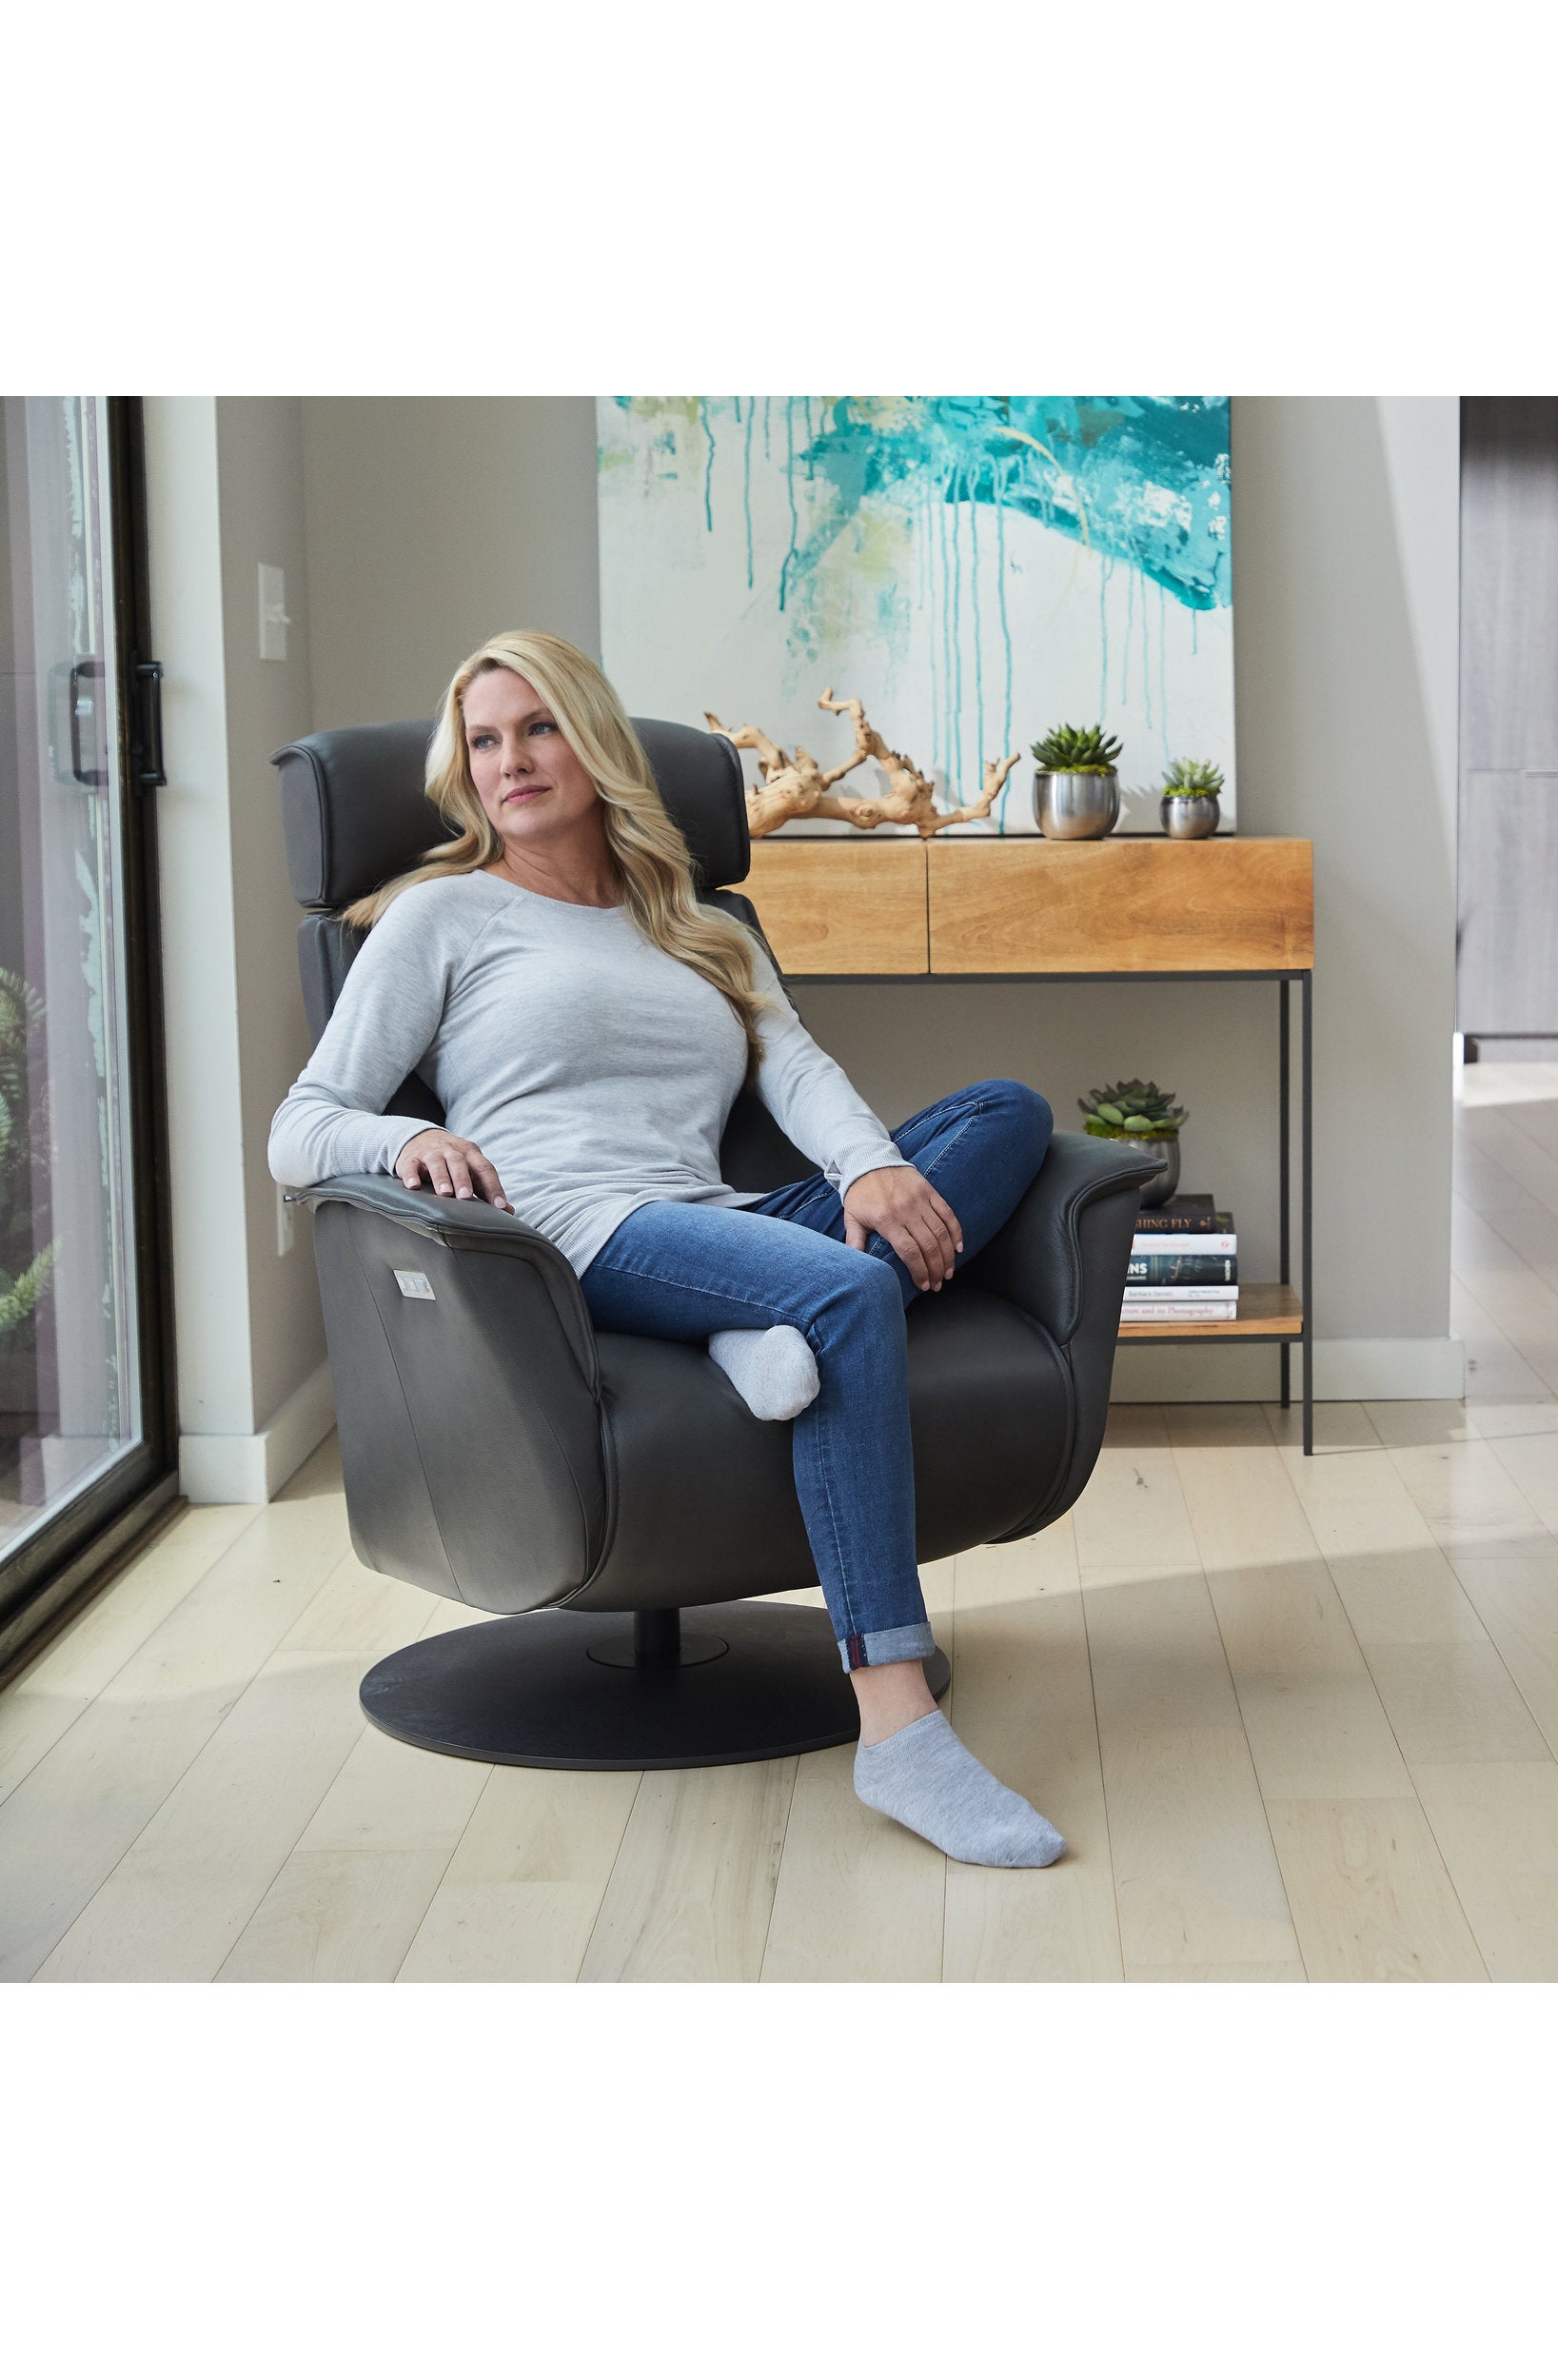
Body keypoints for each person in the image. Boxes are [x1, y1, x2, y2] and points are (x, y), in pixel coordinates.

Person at [267, 629, 1063, 1868]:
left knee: (1004, 1113)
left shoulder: (700, 927)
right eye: (483, 740)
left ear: (592, 741)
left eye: (536, 727)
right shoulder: (441, 916)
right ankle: (899, 1731)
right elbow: (299, 1127)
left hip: (722, 1225)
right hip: (574, 1234)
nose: (511, 760)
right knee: (851, 1291)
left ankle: (759, 1321)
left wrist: (871, 1166)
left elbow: (796, 1070)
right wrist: (408, 1138)